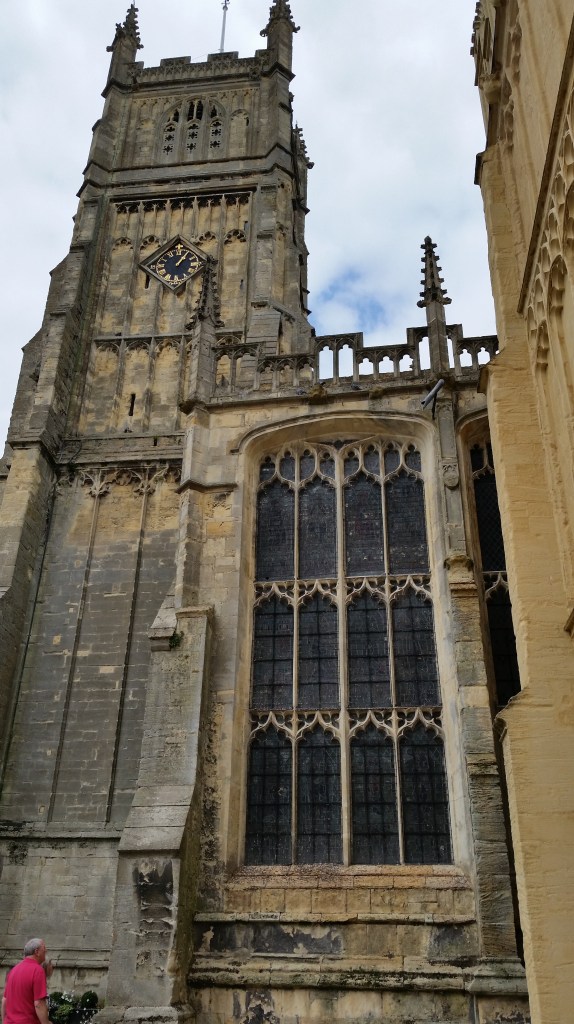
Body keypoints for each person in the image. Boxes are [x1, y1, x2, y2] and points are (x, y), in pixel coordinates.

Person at [1, 939, 53, 1024]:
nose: (46, 951)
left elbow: (4, 1000)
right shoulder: (37, 970)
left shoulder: (14, 969)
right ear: (37, 952)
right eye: (44, 948)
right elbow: (39, 1004)